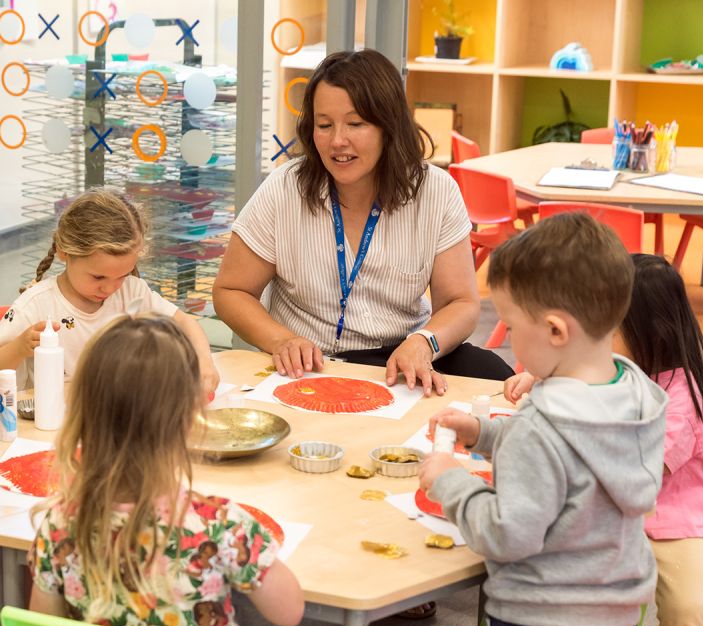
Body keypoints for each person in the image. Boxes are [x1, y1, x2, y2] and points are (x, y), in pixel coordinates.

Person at [418, 213, 666, 626]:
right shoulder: (635, 395)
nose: (508, 338)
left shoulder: (540, 427)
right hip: (617, 617)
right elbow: (576, 455)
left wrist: (451, 481)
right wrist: (486, 433)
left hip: (542, 625)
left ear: (554, 330)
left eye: (511, 327)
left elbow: (506, 533)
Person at [213, 48, 512, 398]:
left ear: (389, 126)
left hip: (400, 358)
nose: (338, 141)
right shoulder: (285, 189)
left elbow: (461, 303)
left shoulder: (435, 191)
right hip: (312, 361)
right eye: (324, 125)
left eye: (355, 124)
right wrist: (282, 340)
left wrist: (423, 342)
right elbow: (231, 291)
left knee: (493, 377)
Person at [29, 315, 304, 626]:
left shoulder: (58, 525)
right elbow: (289, 612)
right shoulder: (219, 524)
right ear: (190, 419)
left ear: (82, 414)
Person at [507, 254, 703, 626]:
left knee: (687, 610)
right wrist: (543, 375)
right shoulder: (617, 363)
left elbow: (638, 469)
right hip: (610, 510)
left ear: (650, 331)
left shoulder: (683, 397)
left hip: (674, 522)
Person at [0, 187, 218, 397]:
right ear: (64, 252)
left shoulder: (131, 291)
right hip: (52, 423)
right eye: (98, 277)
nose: (110, 288)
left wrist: (205, 362)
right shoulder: (36, 305)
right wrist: (20, 347)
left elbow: (184, 322)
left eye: (123, 275)